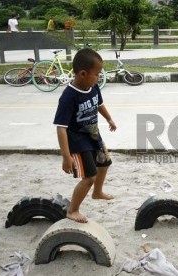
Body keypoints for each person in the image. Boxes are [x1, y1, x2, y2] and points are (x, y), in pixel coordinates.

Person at [53, 48, 117, 223]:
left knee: (104, 163)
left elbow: (99, 104)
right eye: (96, 74)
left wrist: (109, 119)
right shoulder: (69, 97)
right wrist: (66, 156)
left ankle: (97, 192)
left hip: (94, 136)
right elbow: (61, 127)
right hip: (78, 142)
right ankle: (72, 210)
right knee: (89, 177)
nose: (99, 77)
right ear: (82, 73)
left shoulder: (93, 87)